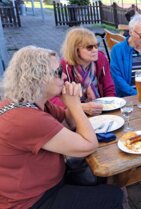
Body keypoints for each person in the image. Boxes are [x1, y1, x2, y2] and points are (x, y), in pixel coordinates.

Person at [0, 46, 122, 209]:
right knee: (113, 196)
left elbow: (67, 121)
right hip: (32, 201)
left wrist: (71, 104)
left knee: (97, 179)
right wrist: (76, 105)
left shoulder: (31, 103)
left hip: (43, 185)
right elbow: (88, 145)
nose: (64, 75)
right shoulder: (26, 118)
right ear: (38, 78)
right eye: (58, 72)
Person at [50, 27, 116, 116]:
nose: (95, 50)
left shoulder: (101, 59)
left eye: (96, 45)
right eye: (89, 47)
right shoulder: (62, 66)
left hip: (101, 109)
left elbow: (109, 88)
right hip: (74, 115)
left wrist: (109, 109)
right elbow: (53, 99)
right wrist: (81, 107)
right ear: (76, 50)